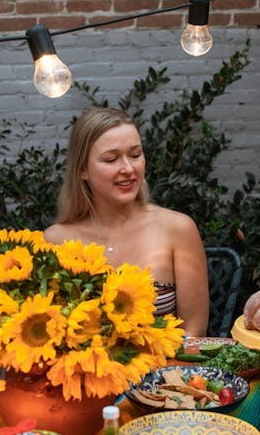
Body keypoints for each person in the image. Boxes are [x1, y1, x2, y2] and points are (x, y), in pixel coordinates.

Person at [44, 107, 209, 337]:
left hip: (169, 360)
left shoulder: (177, 229)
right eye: (111, 159)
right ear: (82, 170)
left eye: (135, 155)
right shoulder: (55, 240)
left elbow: (194, 330)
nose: (128, 169)